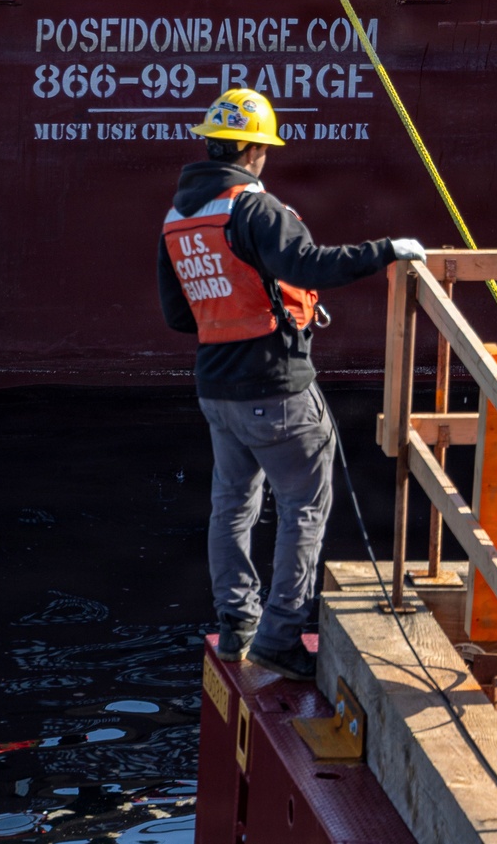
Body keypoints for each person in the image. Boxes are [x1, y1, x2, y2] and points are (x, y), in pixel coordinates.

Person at [157, 88, 426, 681]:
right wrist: (387, 251)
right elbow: (310, 266)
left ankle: (237, 626)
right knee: (305, 505)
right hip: (275, 388)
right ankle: (281, 636)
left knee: (232, 506)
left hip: (216, 391)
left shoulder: (179, 219)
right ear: (252, 150)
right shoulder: (253, 210)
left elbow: (180, 316)